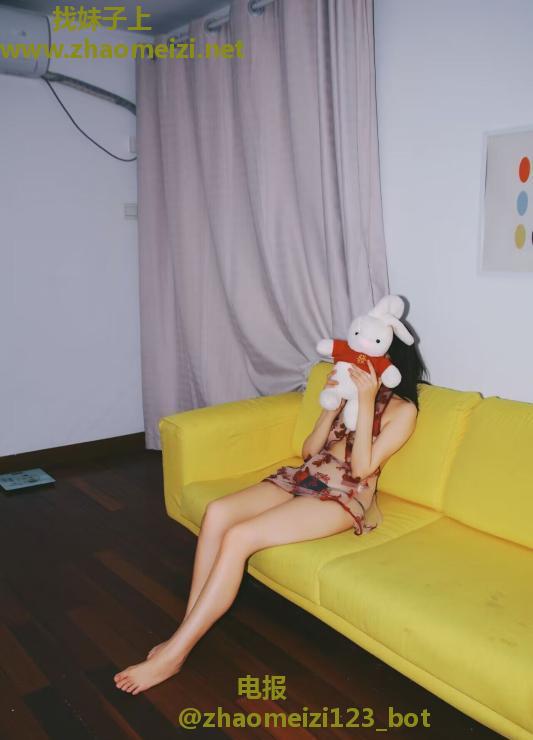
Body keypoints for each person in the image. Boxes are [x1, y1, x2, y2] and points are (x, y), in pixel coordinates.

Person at [114, 333, 428, 694]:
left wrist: (368, 401)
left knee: (240, 536)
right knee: (217, 512)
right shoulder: (348, 395)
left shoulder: (404, 411)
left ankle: (175, 655)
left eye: (367, 358)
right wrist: (331, 406)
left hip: (344, 496)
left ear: (389, 364)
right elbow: (310, 451)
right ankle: (185, 632)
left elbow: (360, 470)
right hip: (306, 475)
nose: (357, 363)